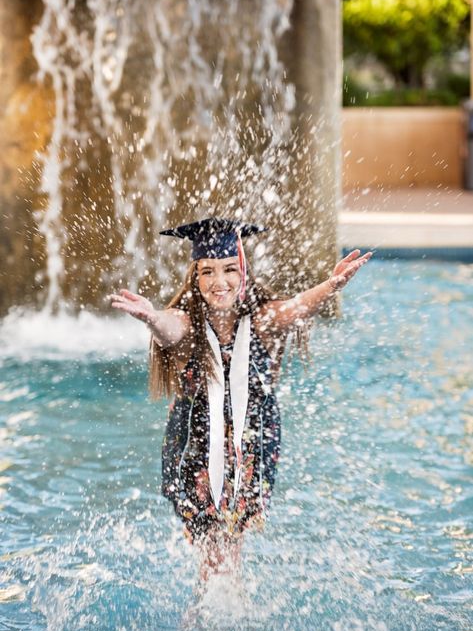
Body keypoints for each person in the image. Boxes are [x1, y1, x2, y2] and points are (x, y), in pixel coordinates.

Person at [109, 217, 371, 581]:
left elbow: (296, 307)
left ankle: (217, 608)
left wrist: (331, 285)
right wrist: (151, 317)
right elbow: (170, 329)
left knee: (228, 543)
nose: (220, 282)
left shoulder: (262, 321)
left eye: (230, 269)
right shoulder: (188, 326)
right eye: (208, 272)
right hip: (195, 446)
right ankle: (213, 611)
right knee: (212, 544)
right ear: (195, 278)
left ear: (243, 272)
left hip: (251, 446)